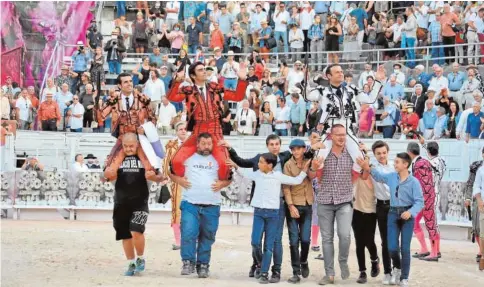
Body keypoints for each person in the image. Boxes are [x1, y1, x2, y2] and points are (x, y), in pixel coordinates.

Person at [221, 134, 320, 282]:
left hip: (278, 207)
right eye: (271, 144)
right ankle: (259, 264)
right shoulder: (258, 167)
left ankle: (274, 271)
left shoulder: (285, 159)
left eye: (277, 144)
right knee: (256, 241)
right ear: (267, 146)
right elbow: (242, 164)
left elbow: (301, 158)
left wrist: (312, 147)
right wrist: (230, 150)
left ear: (280, 146)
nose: (274, 146)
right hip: (261, 209)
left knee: (275, 241)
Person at [167, 61, 247, 180]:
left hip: (215, 131)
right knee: (176, 162)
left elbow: (237, 96)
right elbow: (172, 97)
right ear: (193, 76)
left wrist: (241, 79)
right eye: (200, 70)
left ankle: (216, 189)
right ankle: (190, 185)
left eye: (204, 69)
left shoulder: (215, 87)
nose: (204, 71)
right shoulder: (188, 90)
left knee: (225, 166)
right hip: (197, 131)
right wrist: (177, 80)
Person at [169, 133, 231, 278]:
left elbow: (229, 178)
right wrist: (179, 180)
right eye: (203, 143)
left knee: (207, 235)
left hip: (212, 204)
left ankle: (203, 265)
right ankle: (188, 262)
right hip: (190, 203)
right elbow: (171, 172)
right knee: (188, 232)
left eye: (209, 143)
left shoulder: (219, 160)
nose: (206, 146)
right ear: (197, 144)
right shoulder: (187, 158)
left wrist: (223, 183)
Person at [358, 152, 424, 287]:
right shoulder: (392, 176)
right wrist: (368, 167)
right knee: (392, 247)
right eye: (395, 162)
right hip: (393, 213)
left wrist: (410, 212)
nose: (394, 164)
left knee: (405, 248)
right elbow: (379, 177)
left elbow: (419, 201)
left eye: (397, 162)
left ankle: (404, 277)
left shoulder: (414, 182)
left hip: (407, 216)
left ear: (405, 165)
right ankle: (397, 268)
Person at [104, 133, 165, 276]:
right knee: (125, 235)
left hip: (140, 201)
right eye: (125, 146)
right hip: (121, 202)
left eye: (131, 146)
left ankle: (141, 258)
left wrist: (154, 177)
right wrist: (107, 174)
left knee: (136, 231)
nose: (128, 149)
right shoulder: (115, 158)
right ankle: (130, 262)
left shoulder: (147, 157)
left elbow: (161, 177)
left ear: (137, 144)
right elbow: (105, 176)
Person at [306, 64, 383, 172]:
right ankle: (318, 185)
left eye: (341, 71)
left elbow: (370, 99)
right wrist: (305, 80)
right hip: (329, 130)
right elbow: (308, 96)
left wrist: (378, 81)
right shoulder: (321, 90)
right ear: (328, 76)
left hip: (347, 130)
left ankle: (353, 184)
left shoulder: (352, 89)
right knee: (318, 160)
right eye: (337, 72)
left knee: (360, 159)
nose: (341, 74)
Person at [313, 124, 358, 285]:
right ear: (331, 136)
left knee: (345, 235)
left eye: (343, 135)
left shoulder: (352, 154)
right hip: (324, 201)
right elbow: (312, 174)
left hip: (344, 201)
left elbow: (361, 174)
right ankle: (329, 274)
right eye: (338, 135)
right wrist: (314, 167)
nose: (341, 137)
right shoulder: (323, 153)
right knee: (327, 238)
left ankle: (343, 261)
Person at [98, 73, 158, 172]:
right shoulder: (113, 100)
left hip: (139, 138)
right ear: (119, 85)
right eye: (126, 82)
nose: (129, 84)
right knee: (108, 169)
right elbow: (100, 118)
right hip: (122, 138)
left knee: (153, 168)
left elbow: (153, 118)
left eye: (130, 81)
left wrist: (145, 129)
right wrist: (98, 103)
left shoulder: (143, 98)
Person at [282, 139, 318, 284]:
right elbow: (286, 187)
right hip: (293, 205)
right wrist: (291, 206)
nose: (296, 152)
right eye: (293, 149)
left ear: (304, 149)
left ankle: (303, 261)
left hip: (308, 204)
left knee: (305, 239)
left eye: (299, 149)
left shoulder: (309, 160)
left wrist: (312, 167)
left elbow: (312, 177)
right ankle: (295, 272)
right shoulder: (287, 165)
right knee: (293, 240)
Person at [406, 142, 440, 262]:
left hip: (425, 200)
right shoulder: (422, 162)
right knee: (415, 222)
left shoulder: (420, 164)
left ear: (409, 152)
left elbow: (423, 185)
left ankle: (434, 252)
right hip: (425, 199)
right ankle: (425, 249)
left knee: (430, 223)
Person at [163, 121, 188, 250]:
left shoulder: (193, 144)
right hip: (177, 182)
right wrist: (166, 178)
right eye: (180, 129)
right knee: (177, 210)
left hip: (191, 182)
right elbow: (166, 162)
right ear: (176, 132)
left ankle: (190, 240)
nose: (183, 131)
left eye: (185, 129)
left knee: (192, 210)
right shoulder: (171, 145)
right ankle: (178, 241)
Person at [466, 148, 484, 266]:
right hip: (480, 200)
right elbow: (471, 183)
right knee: (477, 228)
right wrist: (468, 198)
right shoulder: (477, 167)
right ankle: (481, 251)